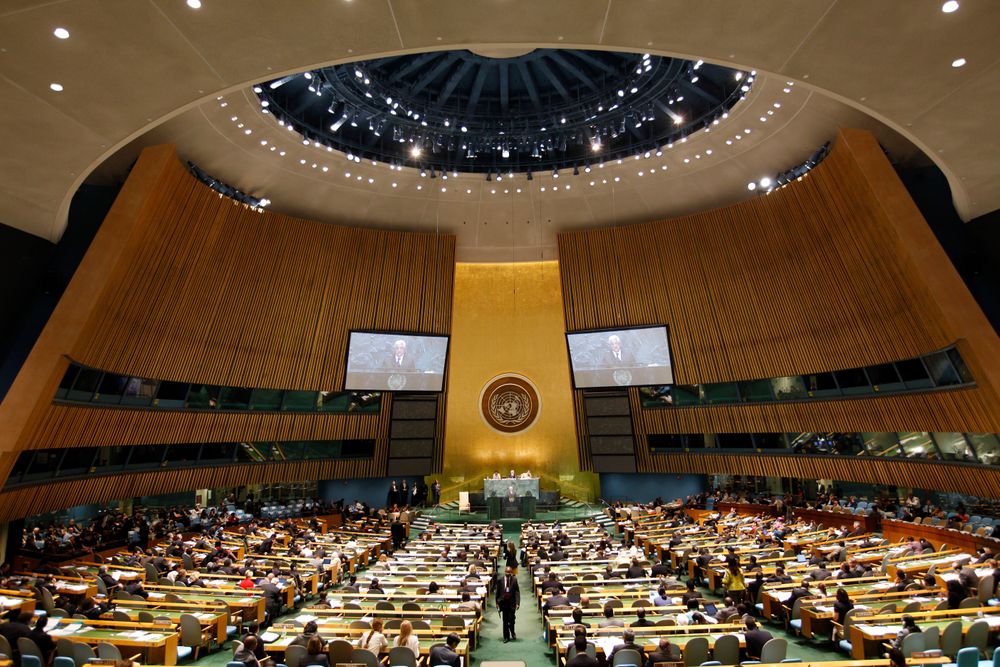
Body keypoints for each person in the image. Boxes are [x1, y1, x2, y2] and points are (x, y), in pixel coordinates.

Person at [496, 565, 520, 642]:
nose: (508, 573)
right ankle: (506, 637)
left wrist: (518, 603)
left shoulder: (514, 580)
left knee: (511, 619)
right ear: (504, 572)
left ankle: (512, 631)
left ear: (511, 572)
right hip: (503, 603)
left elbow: (517, 592)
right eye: (506, 572)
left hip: (512, 603)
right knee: (505, 620)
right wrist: (497, 602)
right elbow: (497, 592)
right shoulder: (500, 580)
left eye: (509, 572)